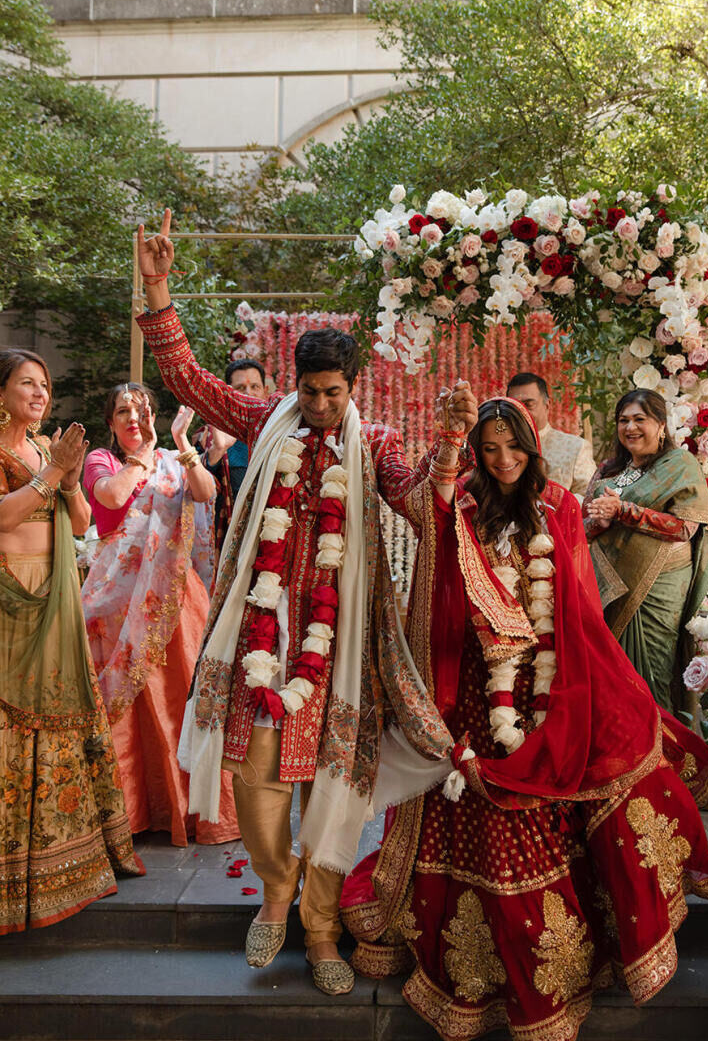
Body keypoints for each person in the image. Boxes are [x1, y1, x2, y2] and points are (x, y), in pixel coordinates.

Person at [134, 210, 478, 995]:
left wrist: (451, 445)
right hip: (266, 637)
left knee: (337, 796)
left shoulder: (380, 444)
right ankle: (277, 884)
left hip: (342, 650)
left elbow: (423, 508)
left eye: (333, 393)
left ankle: (321, 933)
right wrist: (158, 287)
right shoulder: (265, 418)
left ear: (353, 388)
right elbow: (188, 381)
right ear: (295, 386)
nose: (321, 405)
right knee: (256, 783)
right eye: (311, 392)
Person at [342, 395, 708, 1041]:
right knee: (479, 813)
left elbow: (574, 597)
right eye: (489, 449)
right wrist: (447, 442)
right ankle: (475, 977)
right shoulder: (459, 504)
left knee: (553, 807)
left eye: (513, 446)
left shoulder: (560, 507)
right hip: (468, 680)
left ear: (532, 443)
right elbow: (427, 524)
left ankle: (561, 966)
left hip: (542, 679)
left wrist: (587, 682)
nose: (503, 460)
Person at [0, 349, 142, 935]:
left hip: (57, 598)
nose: (40, 393)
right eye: (27, 383)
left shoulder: (43, 448)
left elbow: (81, 523)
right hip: (12, 600)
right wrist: (51, 474)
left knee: (61, 714)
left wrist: (69, 473)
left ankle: (68, 859)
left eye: (46, 384)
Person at [80, 382, 238, 847]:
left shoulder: (173, 458)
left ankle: (191, 810)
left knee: (179, 701)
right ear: (111, 423)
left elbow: (205, 492)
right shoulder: (103, 462)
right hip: (119, 602)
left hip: (176, 597)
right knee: (131, 708)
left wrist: (183, 444)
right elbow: (111, 498)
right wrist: (143, 455)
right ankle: (130, 812)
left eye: (142, 409)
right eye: (124, 411)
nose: (134, 417)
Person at [582, 389, 708, 711]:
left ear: (661, 425)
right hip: (606, 587)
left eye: (639, 419)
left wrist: (624, 511)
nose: (630, 428)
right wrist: (602, 522)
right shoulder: (608, 470)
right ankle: (620, 757)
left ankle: (665, 756)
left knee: (651, 676)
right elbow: (585, 524)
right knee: (608, 681)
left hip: (657, 589)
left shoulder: (679, 465)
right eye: (623, 420)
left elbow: (685, 528)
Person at [196, 358, 268, 554]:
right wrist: (217, 451)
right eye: (240, 388)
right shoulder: (209, 436)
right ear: (229, 393)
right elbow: (194, 488)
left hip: (272, 536)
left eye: (255, 386)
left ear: (265, 391)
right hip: (230, 542)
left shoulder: (281, 435)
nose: (249, 394)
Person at [506, 371, 595, 498]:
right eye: (514, 406)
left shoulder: (575, 447)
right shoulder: (497, 449)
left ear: (547, 405)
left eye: (528, 405)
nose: (521, 412)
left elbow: (589, 499)